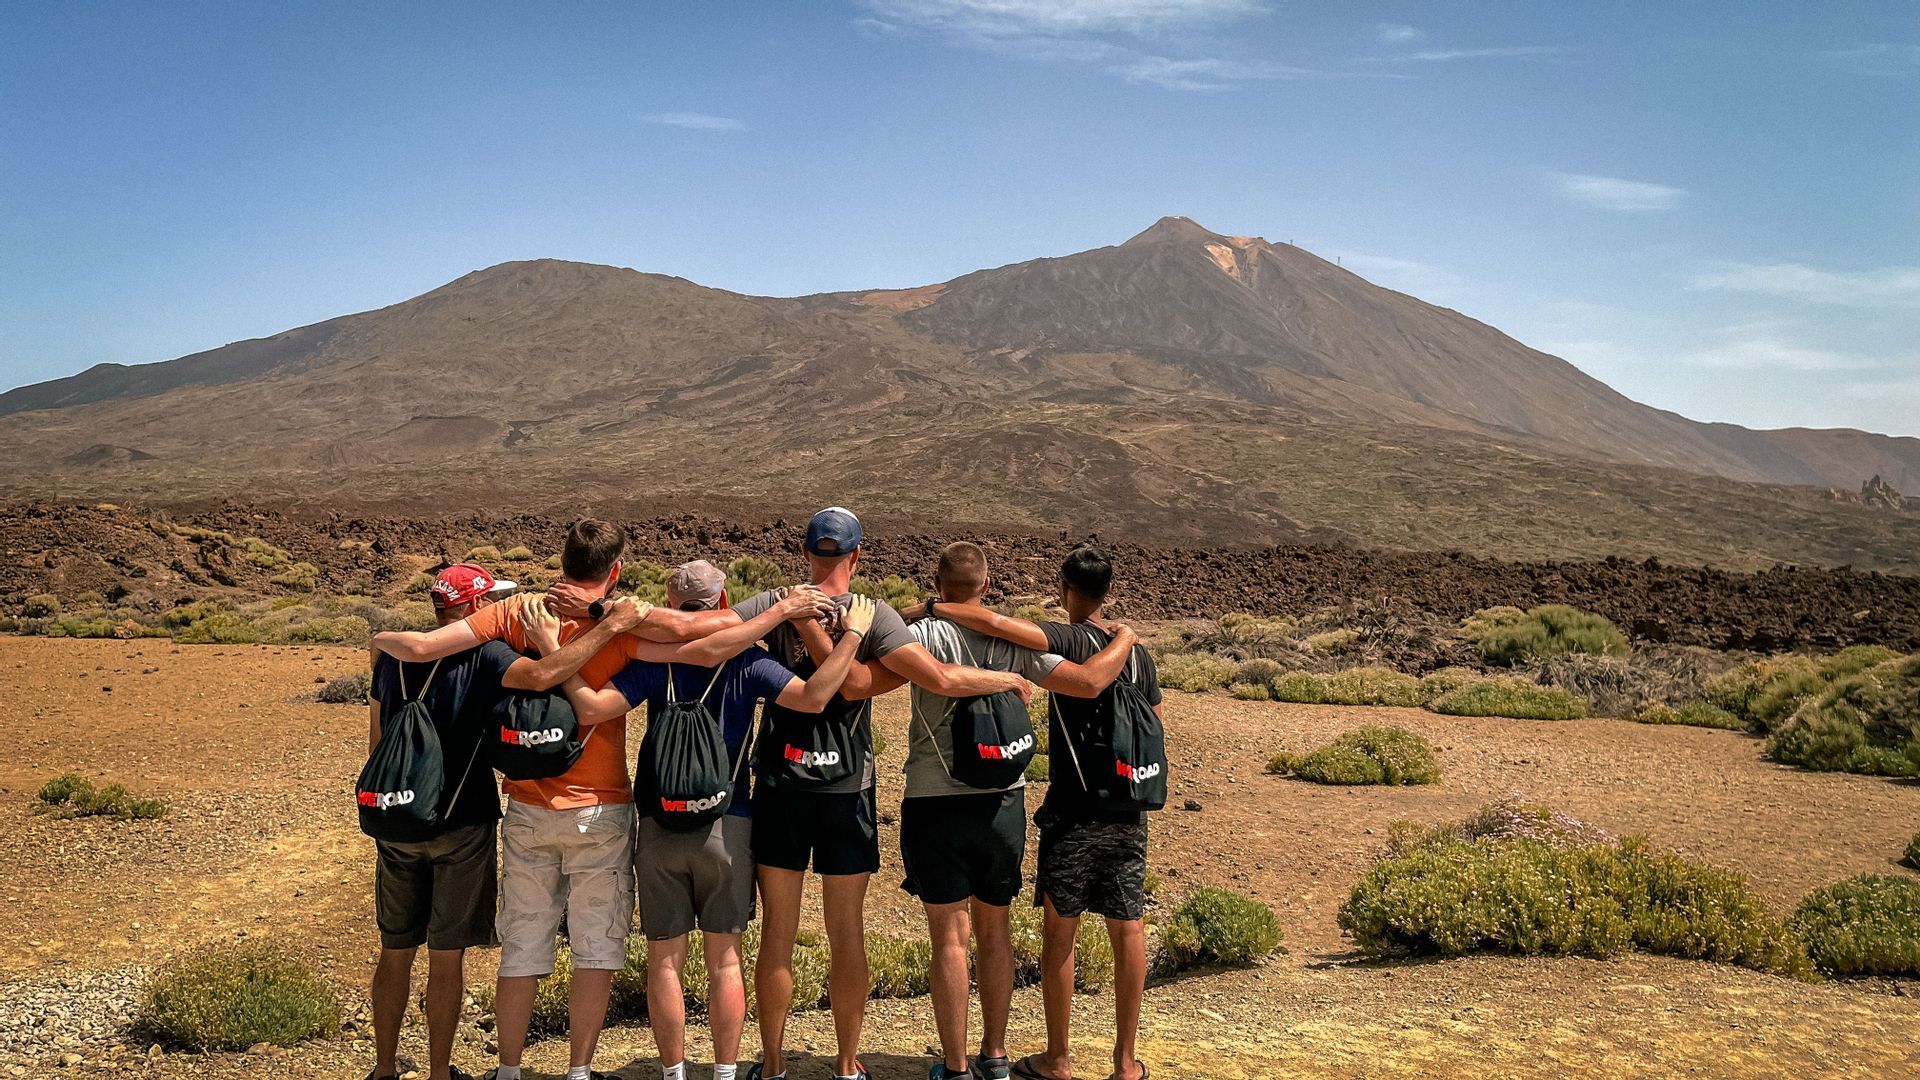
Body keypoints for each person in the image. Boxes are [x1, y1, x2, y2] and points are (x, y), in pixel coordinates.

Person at [374, 522, 816, 1080]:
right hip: (602, 807)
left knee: (523, 947)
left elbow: (427, 646)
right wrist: (777, 604)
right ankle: (581, 1071)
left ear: (562, 560)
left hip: (527, 805)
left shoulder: (515, 614)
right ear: (615, 570)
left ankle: (509, 1069)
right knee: (597, 949)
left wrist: (382, 644)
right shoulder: (624, 622)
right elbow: (700, 638)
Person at [687, 507, 1032, 1080]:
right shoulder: (874, 617)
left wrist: (789, 617)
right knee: (846, 931)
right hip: (847, 790)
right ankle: (847, 1065)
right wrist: (1006, 678)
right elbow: (931, 680)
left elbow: (709, 636)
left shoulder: (775, 606)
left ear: (805, 554)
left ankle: (772, 1066)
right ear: (856, 557)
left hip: (781, 786)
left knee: (778, 930)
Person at [557, 572, 878, 1080]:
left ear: (669, 604)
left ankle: (674, 1072)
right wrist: (855, 634)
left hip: (660, 824)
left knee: (665, 960)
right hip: (729, 823)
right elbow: (817, 696)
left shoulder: (652, 662)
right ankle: (726, 1070)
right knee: (725, 959)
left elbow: (592, 708)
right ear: (724, 603)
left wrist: (558, 665)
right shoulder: (749, 662)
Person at [837, 542, 1139, 1080]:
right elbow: (1083, 680)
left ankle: (955, 1067)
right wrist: (1124, 641)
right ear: (987, 585)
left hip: (933, 802)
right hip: (1004, 802)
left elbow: (860, 679)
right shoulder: (1010, 640)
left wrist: (908, 614)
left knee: (949, 937)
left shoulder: (920, 636)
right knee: (994, 931)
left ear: (938, 581)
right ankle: (995, 1056)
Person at [911, 546, 1161, 1080]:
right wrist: (1123, 639)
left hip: (1057, 810)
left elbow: (1002, 628)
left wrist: (929, 609)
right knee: (1126, 927)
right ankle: (1113, 1063)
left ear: (1068, 589)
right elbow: (1146, 714)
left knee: (1041, 933)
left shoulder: (1062, 637)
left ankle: (1047, 1059)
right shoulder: (1137, 655)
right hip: (1122, 807)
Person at [364, 563, 519, 1080]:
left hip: (398, 820)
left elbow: (377, 738)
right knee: (447, 955)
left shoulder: (395, 657)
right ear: (475, 606)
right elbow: (537, 682)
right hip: (463, 820)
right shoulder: (487, 654)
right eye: (492, 600)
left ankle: (385, 1068)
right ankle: (438, 1072)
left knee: (395, 949)